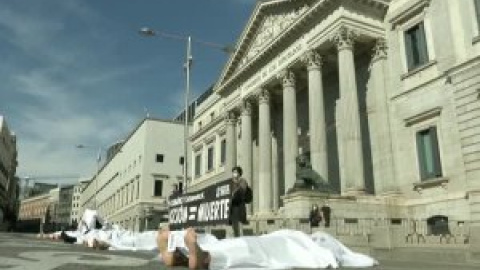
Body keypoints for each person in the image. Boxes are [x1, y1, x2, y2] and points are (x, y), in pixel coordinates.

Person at [156, 227, 378, 269]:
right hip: (279, 242)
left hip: (276, 240)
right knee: (251, 249)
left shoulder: (302, 238)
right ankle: (198, 254)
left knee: (247, 246)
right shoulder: (307, 240)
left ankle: (186, 257)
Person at [228, 166, 248, 237]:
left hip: (239, 206)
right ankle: (234, 237)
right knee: (233, 225)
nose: (234, 174)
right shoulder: (230, 182)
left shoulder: (242, 181)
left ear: (239, 173)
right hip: (232, 207)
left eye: (236, 172)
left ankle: (240, 240)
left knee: (239, 225)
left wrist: (234, 192)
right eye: (233, 172)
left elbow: (242, 190)